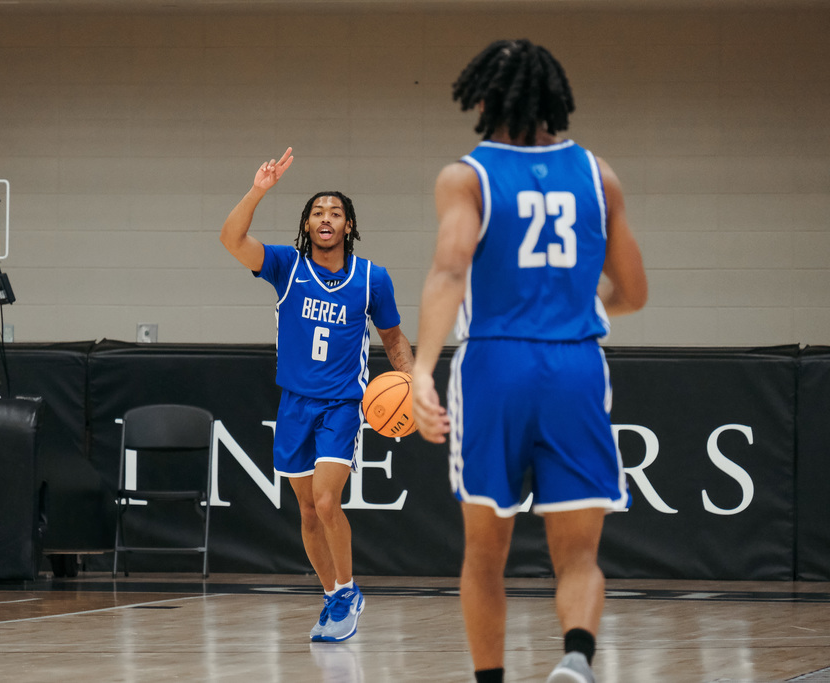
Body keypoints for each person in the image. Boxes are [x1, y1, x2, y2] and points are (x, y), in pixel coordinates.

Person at [411, 40, 647, 683]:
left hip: (495, 365)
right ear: (554, 101)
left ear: (482, 101)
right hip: (575, 366)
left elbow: (449, 269)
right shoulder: (598, 176)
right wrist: (576, 301)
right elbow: (633, 293)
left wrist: (422, 369)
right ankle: (575, 657)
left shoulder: (467, 177)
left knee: (484, 555)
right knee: (579, 556)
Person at [220, 147, 414, 643]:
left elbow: (393, 339)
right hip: (294, 405)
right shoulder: (287, 266)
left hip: (342, 405)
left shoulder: (372, 278)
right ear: (307, 225)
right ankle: (333, 597)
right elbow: (231, 239)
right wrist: (258, 190)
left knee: (327, 501)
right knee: (307, 511)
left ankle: (347, 590)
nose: (326, 218)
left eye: (336, 213)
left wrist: (412, 384)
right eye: (318, 212)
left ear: (349, 226)